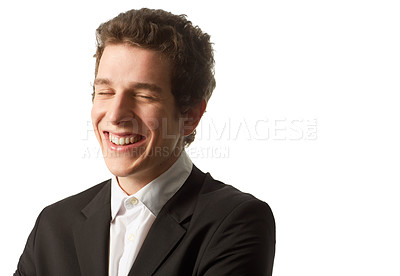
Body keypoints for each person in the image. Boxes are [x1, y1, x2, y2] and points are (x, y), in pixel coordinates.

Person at [14, 8, 275, 276]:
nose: (115, 115)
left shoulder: (236, 221)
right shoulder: (53, 225)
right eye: (105, 91)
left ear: (191, 115)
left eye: (143, 96)